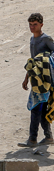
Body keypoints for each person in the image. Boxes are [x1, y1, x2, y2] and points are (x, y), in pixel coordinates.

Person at [20, 13, 54, 147]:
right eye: (30, 24)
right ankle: (48, 137)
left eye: (35, 24)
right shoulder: (32, 40)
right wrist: (26, 78)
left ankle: (32, 139)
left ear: (41, 25)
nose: (32, 27)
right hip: (36, 79)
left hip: (45, 80)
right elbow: (33, 62)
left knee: (36, 108)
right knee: (42, 108)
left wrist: (45, 59)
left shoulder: (46, 39)